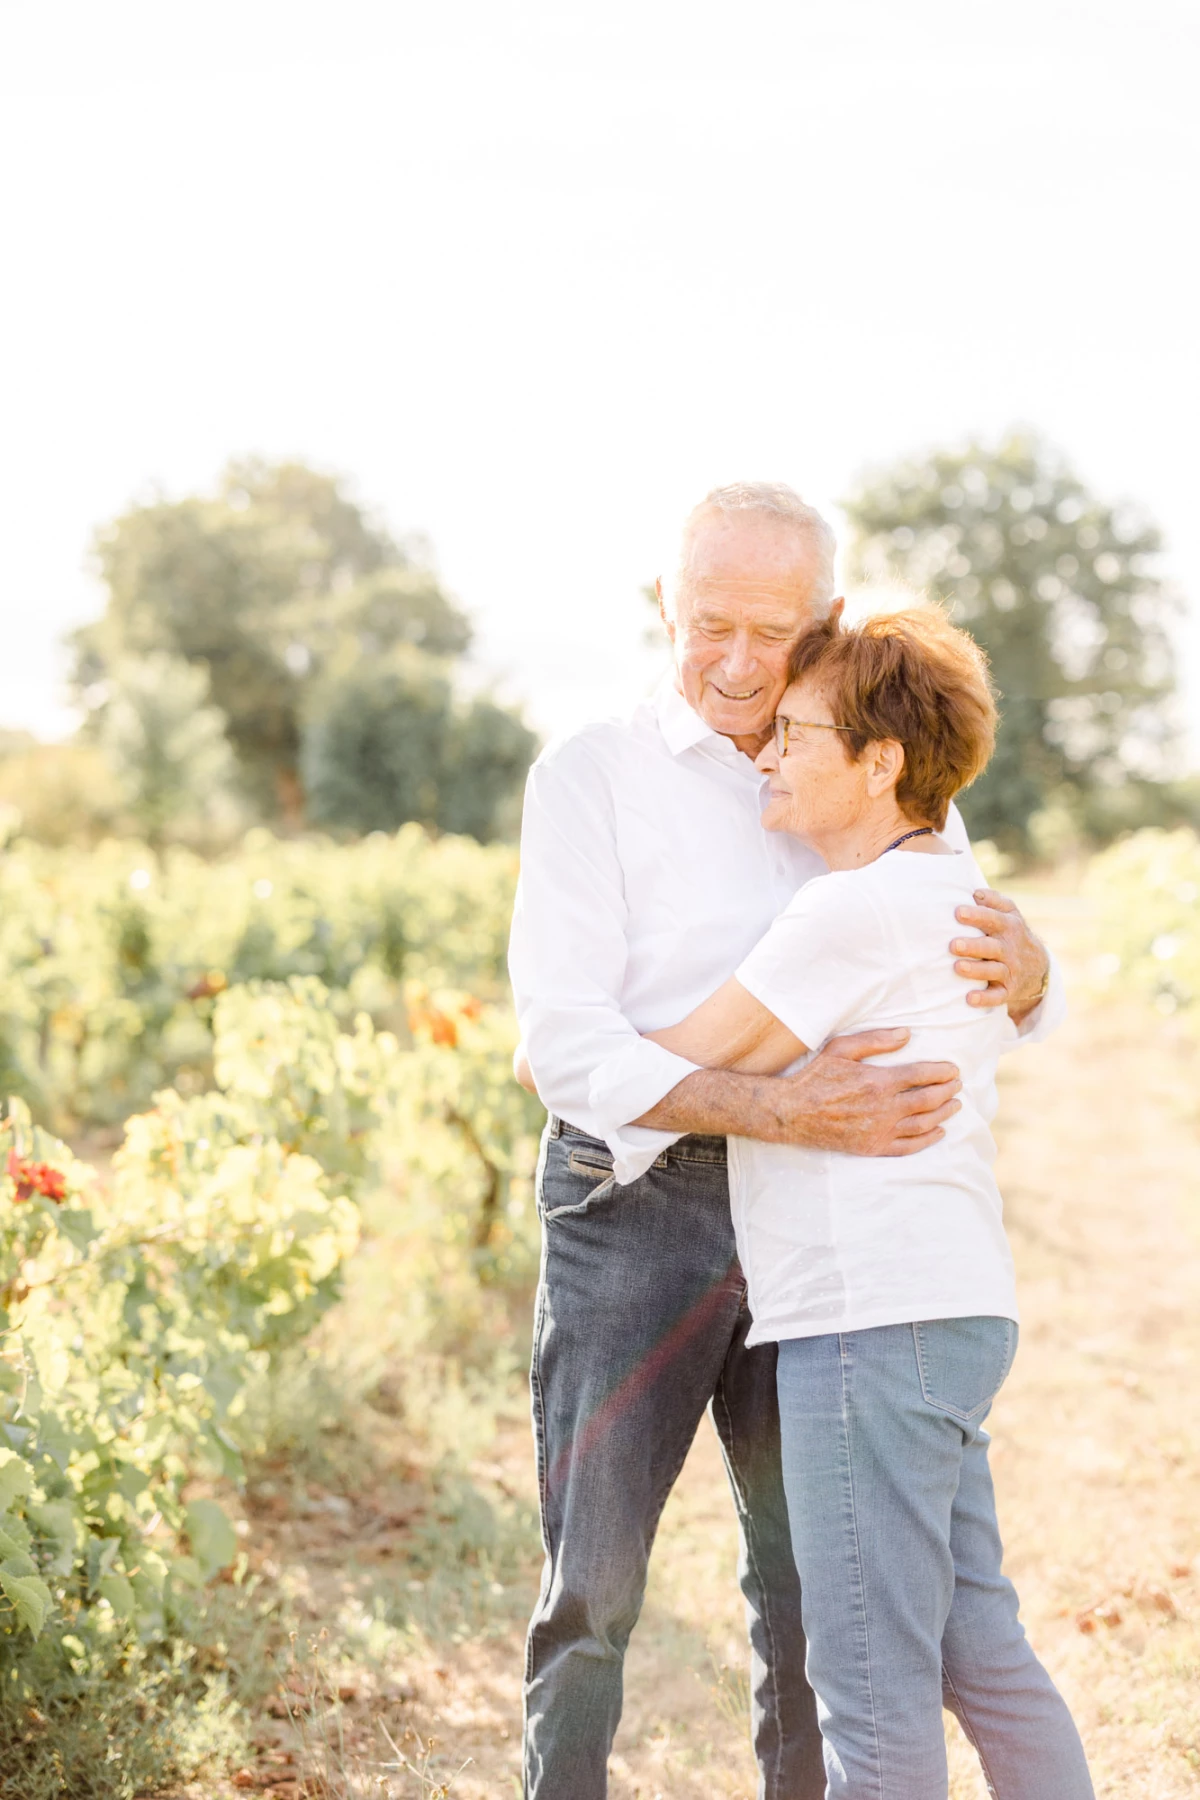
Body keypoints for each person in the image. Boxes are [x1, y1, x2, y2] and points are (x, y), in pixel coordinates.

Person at [508, 482, 1062, 1800]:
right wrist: (772, 1104)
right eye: (711, 626)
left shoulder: (865, 744)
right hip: (633, 1209)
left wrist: (1036, 974)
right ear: (665, 608)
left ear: (824, 620)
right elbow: (566, 1052)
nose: (742, 664)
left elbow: (963, 951)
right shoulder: (591, 774)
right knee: (594, 1586)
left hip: (824, 1232)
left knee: (817, 1596)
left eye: (774, 631)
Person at [644, 605, 1093, 1798]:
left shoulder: (847, 910)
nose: (769, 754)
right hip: (951, 1308)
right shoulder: (952, 881)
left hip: (864, 1324)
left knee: (869, 1684)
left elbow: (677, 1059)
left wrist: (561, 1037)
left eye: (795, 733)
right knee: (975, 1645)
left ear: (881, 762)